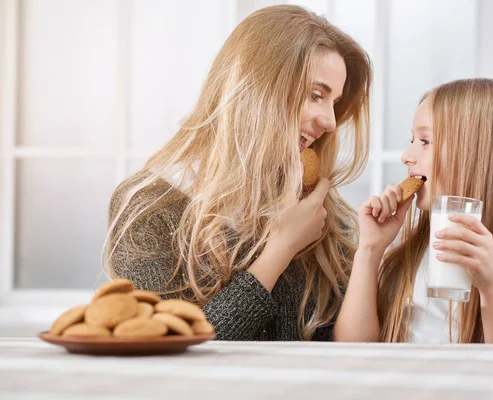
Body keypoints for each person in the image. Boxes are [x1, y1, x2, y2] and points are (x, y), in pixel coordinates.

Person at [102, 5, 371, 341]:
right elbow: (174, 354)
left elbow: (348, 353)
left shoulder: (325, 216)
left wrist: (372, 252)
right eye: (316, 95)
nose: (330, 122)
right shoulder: (149, 207)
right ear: (257, 89)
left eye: (334, 103)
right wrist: (281, 248)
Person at [335, 78, 493, 344]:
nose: (406, 156)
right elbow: (353, 349)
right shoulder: (408, 249)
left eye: (425, 141)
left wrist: (491, 286)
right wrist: (369, 250)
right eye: (412, 140)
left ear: (482, 154)